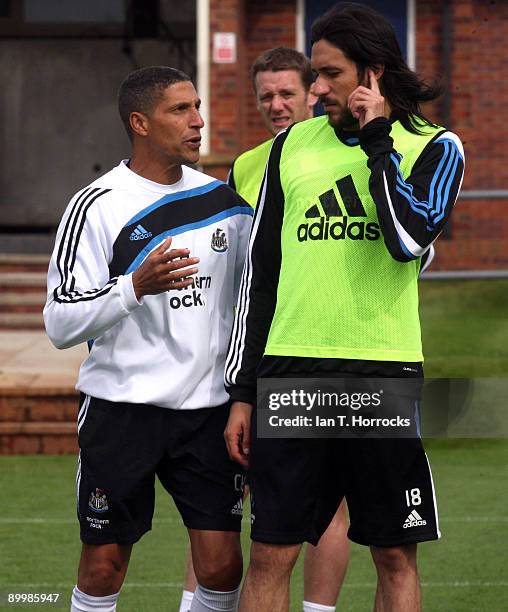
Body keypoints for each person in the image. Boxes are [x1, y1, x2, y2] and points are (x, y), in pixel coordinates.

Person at [224, 3, 465, 611]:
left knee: (392, 554)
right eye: (316, 74)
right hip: (292, 371)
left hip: (380, 374)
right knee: (272, 552)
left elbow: (407, 237)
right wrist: (244, 389)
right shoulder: (289, 149)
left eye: (330, 74)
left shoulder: (437, 147)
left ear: (373, 73)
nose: (317, 88)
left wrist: (378, 138)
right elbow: (263, 276)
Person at [43, 66, 253, 612]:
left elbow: (254, 301)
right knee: (103, 566)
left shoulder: (225, 205)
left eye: (198, 107)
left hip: (207, 412)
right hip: (121, 410)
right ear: (140, 122)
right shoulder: (96, 206)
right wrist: (133, 287)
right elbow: (60, 324)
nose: (198, 121)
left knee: (223, 567)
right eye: (180, 110)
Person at [180, 46, 350, 612]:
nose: (277, 105)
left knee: (330, 500)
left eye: (287, 93)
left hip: (325, 350)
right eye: (266, 97)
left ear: (313, 93)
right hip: (254, 357)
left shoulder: (343, 154)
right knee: (221, 495)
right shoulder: (247, 166)